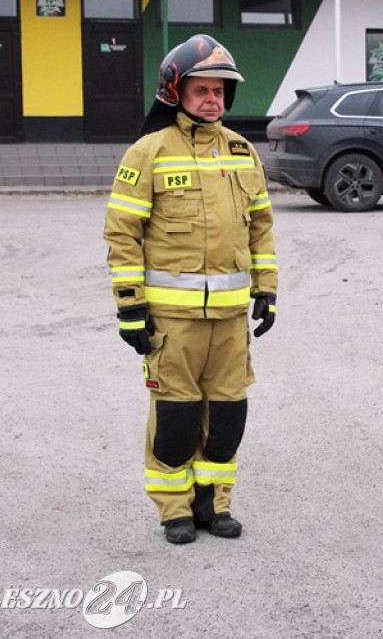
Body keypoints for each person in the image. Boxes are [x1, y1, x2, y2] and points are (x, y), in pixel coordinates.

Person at [103, 34, 278, 545]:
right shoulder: (148, 151)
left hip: (229, 321)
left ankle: (213, 505)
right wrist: (130, 309)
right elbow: (122, 234)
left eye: (220, 92)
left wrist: (266, 290)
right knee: (176, 420)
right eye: (201, 90)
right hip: (172, 322)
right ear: (174, 92)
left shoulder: (243, 152)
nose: (213, 100)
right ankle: (174, 510)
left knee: (227, 418)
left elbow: (260, 228)